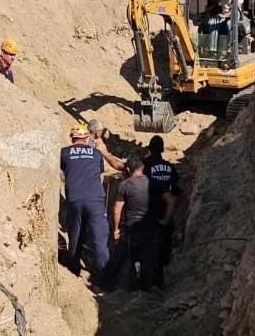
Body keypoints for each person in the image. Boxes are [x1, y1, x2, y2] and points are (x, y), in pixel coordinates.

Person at [102, 156, 159, 291]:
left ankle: (107, 284)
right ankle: (146, 286)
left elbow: (116, 211)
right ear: (142, 168)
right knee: (146, 258)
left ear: (128, 169)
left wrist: (115, 229)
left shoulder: (125, 185)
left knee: (120, 256)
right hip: (149, 228)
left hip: (131, 229)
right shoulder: (152, 183)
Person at [60, 124, 109, 277]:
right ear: (87, 137)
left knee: (75, 236)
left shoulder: (64, 153)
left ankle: (74, 271)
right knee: (99, 239)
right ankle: (104, 277)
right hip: (95, 199)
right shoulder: (96, 153)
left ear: (72, 138)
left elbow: (63, 172)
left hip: (74, 199)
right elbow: (100, 175)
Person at [143, 135, 181, 289]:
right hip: (166, 214)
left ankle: (145, 283)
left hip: (149, 213)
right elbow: (176, 188)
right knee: (163, 251)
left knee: (147, 249)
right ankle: (159, 283)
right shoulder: (170, 167)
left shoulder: (145, 165)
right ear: (163, 149)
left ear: (149, 149)